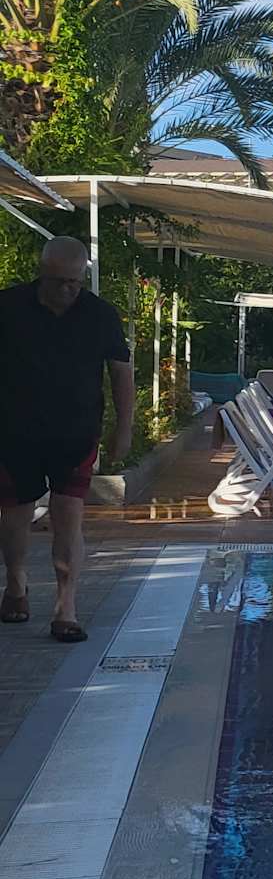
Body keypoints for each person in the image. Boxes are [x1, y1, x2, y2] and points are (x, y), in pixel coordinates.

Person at [1, 237, 134, 641]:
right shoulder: (8, 307)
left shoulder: (99, 314)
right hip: (14, 430)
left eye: (74, 282)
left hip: (76, 430)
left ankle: (66, 608)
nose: (67, 290)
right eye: (59, 281)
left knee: (69, 513)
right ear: (42, 273)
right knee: (15, 514)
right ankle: (16, 583)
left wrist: (124, 427)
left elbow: (120, 372)